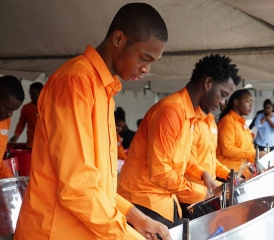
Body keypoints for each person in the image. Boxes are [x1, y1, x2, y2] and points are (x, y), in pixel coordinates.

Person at [15, 3, 171, 240]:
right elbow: (78, 186)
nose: (146, 69)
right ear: (118, 39)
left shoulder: (103, 90)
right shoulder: (75, 83)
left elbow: (97, 184)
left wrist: (136, 217)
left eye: (152, 63)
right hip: (54, 233)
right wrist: (127, 236)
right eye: (144, 57)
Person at [118, 54, 241, 228]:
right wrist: (202, 192)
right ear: (207, 83)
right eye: (222, 94)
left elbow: (181, 157)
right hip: (143, 200)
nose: (222, 103)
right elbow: (160, 172)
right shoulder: (170, 111)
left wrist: (203, 174)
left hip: (163, 200)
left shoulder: (189, 114)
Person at [179, 112, 231, 218]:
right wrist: (203, 174)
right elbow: (186, 160)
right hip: (192, 192)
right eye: (221, 95)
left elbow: (211, 159)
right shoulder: (192, 123)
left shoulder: (212, 124)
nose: (221, 102)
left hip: (210, 189)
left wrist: (228, 174)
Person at [217, 89, 265, 178]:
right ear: (236, 102)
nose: (251, 105)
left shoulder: (243, 123)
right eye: (247, 101)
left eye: (252, 102)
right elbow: (227, 150)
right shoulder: (227, 121)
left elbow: (249, 147)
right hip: (227, 173)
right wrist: (255, 154)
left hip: (241, 171)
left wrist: (258, 159)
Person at [9, 82, 43, 149]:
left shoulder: (49, 108)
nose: (31, 96)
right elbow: (21, 123)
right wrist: (16, 135)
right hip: (31, 144)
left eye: (33, 94)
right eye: (30, 94)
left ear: (41, 92)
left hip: (46, 146)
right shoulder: (26, 108)